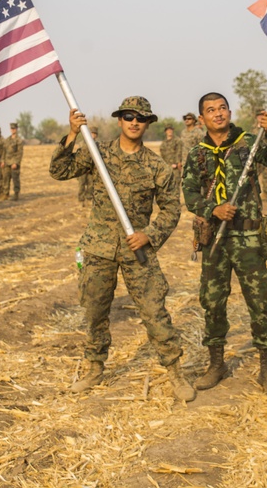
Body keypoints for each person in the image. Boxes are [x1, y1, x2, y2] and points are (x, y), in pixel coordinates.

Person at [49, 96, 195, 402]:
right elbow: (59, 171)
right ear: (120, 120)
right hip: (99, 246)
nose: (134, 122)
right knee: (95, 310)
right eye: (129, 116)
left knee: (155, 311)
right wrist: (73, 134)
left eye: (140, 118)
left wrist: (150, 235)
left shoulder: (157, 167)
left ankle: (175, 372)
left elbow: (171, 210)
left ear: (148, 123)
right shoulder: (98, 154)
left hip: (137, 251)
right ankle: (94, 368)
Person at [182, 92, 267, 395]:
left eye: (222, 108)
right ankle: (217, 365)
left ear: (229, 112)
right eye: (210, 110)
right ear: (201, 119)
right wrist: (211, 209)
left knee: (259, 301)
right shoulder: (198, 153)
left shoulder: (249, 143)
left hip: (248, 238)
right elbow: (189, 193)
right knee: (213, 302)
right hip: (215, 239)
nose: (218, 114)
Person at [180, 112, 207, 262]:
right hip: (185, 164)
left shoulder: (198, 133)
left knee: (201, 194)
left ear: (194, 120)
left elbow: (203, 150)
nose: (187, 121)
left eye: (189, 119)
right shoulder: (183, 132)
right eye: (185, 119)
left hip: (197, 166)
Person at [0, 122, 24, 201]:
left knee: (15, 179)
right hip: (6, 162)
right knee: (5, 179)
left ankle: (16, 194)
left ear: (16, 129)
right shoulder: (7, 139)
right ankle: (6, 194)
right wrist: (2, 161)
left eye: (14, 129)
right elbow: (4, 151)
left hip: (14, 163)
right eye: (11, 129)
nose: (13, 130)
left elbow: (19, 153)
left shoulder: (18, 140)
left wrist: (16, 163)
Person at [76, 127, 99, 206]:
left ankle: (89, 199)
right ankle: (81, 200)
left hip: (91, 169)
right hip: (82, 168)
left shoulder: (97, 145)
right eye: (92, 133)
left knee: (91, 185)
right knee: (81, 185)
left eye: (95, 134)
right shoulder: (82, 143)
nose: (93, 135)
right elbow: (78, 156)